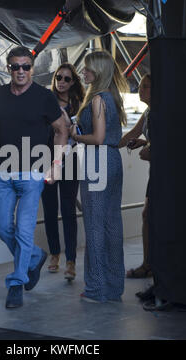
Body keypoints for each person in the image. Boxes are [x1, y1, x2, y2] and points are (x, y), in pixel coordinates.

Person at [0, 46, 68, 308]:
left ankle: (17, 282)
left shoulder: (44, 97)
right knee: (2, 228)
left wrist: (55, 165)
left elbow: (61, 130)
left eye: (25, 66)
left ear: (32, 68)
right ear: (8, 68)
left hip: (33, 171)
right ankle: (35, 256)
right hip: (3, 170)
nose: (20, 71)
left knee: (23, 229)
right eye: (15, 67)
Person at [70, 50, 128, 303]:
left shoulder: (97, 100)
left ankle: (95, 289)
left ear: (99, 72)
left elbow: (97, 138)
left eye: (88, 69)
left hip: (98, 159)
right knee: (112, 223)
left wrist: (75, 135)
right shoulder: (113, 98)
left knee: (94, 224)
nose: (84, 72)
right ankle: (114, 287)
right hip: (113, 160)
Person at [41, 63, 85, 281]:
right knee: (49, 210)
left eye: (67, 79)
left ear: (73, 82)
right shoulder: (46, 101)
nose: (62, 82)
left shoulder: (79, 105)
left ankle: (71, 261)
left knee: (68, 210)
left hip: (71, 160)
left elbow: (82, 133)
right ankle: (54, 255)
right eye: (59, 77)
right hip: (46, 158)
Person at [118, 74, 152, 279]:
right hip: (155, 173)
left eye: (146, 86)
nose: (141, 90)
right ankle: (149, 264)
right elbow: (134, 133)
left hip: (164, 175)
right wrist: (110, 145)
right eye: (140, 86)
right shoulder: (149, 112)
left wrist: (147, 146)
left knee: (149, 216)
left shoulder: (162, 112)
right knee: (148, 216)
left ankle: (150, 265)